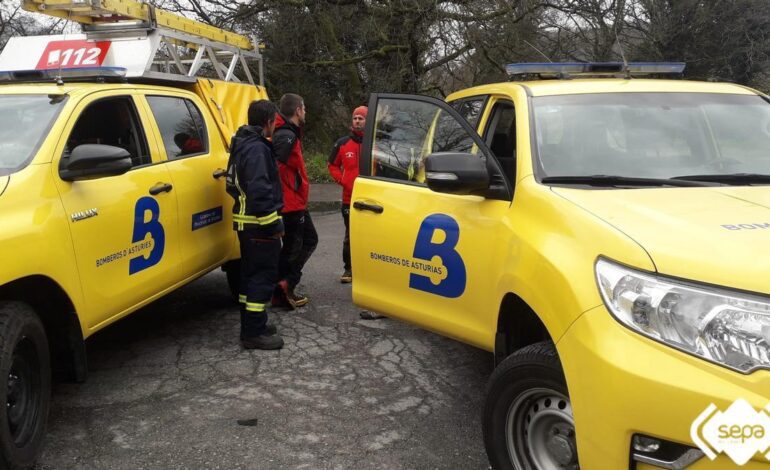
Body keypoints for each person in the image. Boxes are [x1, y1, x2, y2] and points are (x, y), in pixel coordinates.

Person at [225, 100, 285, 350]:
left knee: (250, 278)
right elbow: (260, 190)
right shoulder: (257, 149)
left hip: (246, 224)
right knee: (261, 278)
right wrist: (273, 224)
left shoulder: (242, 144)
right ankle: (253, 334)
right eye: (274, 122)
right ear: (268, 122)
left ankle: (254, 323)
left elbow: (231, 184)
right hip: (259, 226)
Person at [272, 93, 318, 309]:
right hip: (290, 202)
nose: (305, 112)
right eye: (304, 108)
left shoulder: (289, 132)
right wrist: (290, 189)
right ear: (298, 110)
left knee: (301, 242)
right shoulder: (286, 135)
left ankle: (283, 286)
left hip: (295, 200)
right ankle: (285, 285)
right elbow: (275, 166)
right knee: (298, 244)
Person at [327, 105, 366, 283]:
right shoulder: (342, 143)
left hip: (373, 197)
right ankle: (348, 269)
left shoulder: (375, 143)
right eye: (355, 118)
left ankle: (370, 269)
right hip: (349, 198)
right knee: (350, 235)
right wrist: (342, 180)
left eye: (361, 118)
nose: (357, 121)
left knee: (372, 235)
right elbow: (332, 165)